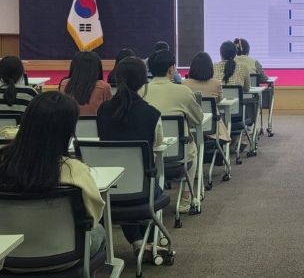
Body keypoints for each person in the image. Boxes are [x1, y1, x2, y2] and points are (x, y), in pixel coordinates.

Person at [0, 92, 106, 271]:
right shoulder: (75, 171)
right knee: (99, 231)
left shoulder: (4, 162)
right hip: (65, 258)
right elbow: (94, 215)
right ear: (68, 130)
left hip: (8, 258)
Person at [97, 56, 165, 252]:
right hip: (141, 190)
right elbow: (158, 146)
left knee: (126, 182)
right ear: (144, 82)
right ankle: (147, 242)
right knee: (153, 185)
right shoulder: (152, 113)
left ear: (117, 78)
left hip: (107, 188)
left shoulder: (103, 110)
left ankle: (138, 240)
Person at [141, 50, 202, 211]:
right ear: (171, 69)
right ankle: (186, 196)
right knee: (193, 149)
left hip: (149, 155)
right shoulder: (183, 91)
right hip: (179, 157)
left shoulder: (141, 90)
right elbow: (198, 119)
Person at [182, 52, 231, 142]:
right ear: (210, 68)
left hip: (189, 126)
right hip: (211, 126)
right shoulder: (216, 83)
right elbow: (219, 100)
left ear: (192, 68)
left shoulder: (184, 84)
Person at [59, 51, 112, 116]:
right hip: (95, 122)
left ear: (74, 66)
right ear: (98, 67)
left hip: (70, 122)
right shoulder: (104, 87)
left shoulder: (64, 84)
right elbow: (110, 111)